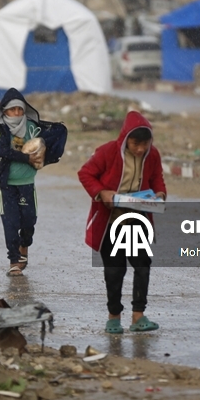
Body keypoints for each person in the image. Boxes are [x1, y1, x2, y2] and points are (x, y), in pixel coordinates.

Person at [77, 111, 165, 334]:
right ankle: (114, 317)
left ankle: (138, 315)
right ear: (126, 139)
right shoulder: (108, 152)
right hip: (111, 221)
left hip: (136, 218)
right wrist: (102, 192)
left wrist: (160, 194)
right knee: (115, 270)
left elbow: (157, 178)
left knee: (142, 265)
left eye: (145, 144)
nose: (140, 149)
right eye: (136, 144)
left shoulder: (153, 155)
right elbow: (85, 174)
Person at [0, 88, 67, 277]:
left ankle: (24, 245)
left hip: (27, 184)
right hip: (8, 185)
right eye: (12, 110)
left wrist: (46, 155)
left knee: (28, 222)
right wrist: (27, 158)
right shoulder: (0, 128)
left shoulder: (32, 127)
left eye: (20, 109)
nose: (17, 113)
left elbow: (51, 137)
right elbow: (2, 151)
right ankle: (14, 261)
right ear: (4, 111)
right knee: (10, 223)